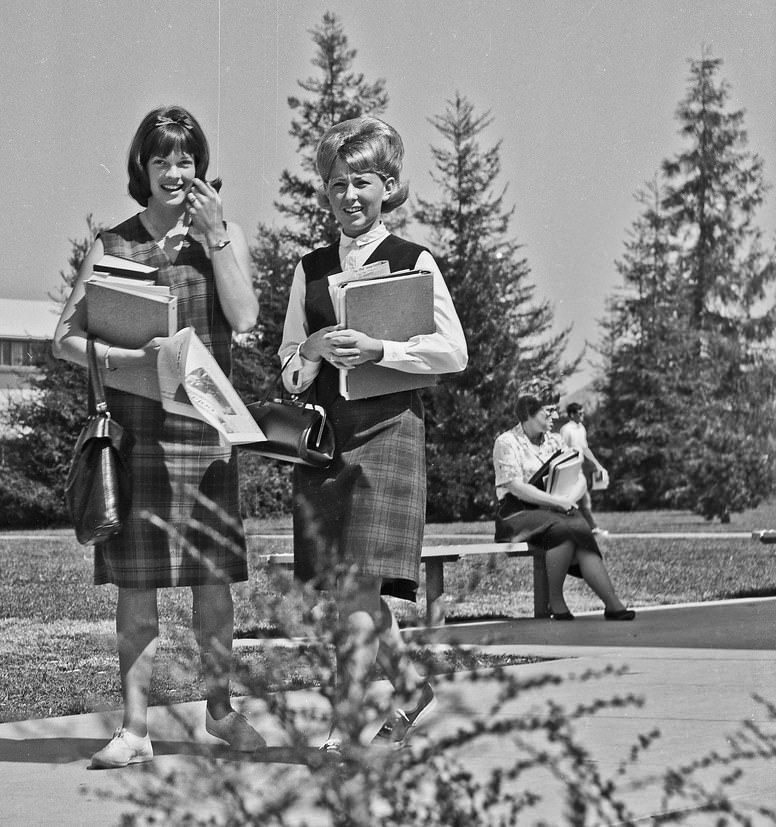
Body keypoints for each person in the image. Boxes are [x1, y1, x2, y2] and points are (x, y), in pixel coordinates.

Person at [53, 105, 264, 768]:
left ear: (201, 169)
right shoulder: (112, 244)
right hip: (137, 435)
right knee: (136, 590)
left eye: (186, 159)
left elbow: (247, 316)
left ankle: (221, 713)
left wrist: (218, 236)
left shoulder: (221, 238)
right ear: (141, 169)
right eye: (161, 159)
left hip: (207, 436)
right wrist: (123, 363)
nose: (175, 171)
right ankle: (135, 727)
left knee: (213, 588)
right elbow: (64, 337)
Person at [278, 116, 468, 754]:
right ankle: (411, 691)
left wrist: (380, 348)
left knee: (356, 586)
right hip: (326, 441)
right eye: (336, 185)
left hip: (389, 431)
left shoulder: (414, 262)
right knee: (346, 588)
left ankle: (346, 723)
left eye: (362, 182)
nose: (349, 196)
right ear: (325, 194)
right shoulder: (308, 271)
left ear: (388, 186)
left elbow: (453, 354)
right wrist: (309, 347)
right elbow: (289, 373)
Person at [492, 392, 635, 621]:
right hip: (517, 513)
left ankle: (612, 603)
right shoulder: (506, 441)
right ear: (529, 413)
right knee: (563, 528)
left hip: (554, 509)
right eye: (548, 411)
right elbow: (516, 486)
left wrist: (568, 500)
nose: (555, 415)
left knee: (579, 526)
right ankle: (556, 601)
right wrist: (558, 502)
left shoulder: (556, 440)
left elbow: (578, 476)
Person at [559, 402, 608, 536]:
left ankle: (590, 528)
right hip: (569, 470)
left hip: (579, 469)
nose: (582, 416)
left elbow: (585, 449)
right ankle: (586, 528)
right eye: (579, 413)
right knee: (577, 500)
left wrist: (597, 465)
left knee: (584, 500)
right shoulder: (566, 430)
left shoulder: (581, 429)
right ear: (571, 415)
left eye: (582, 413)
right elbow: (561, 450)